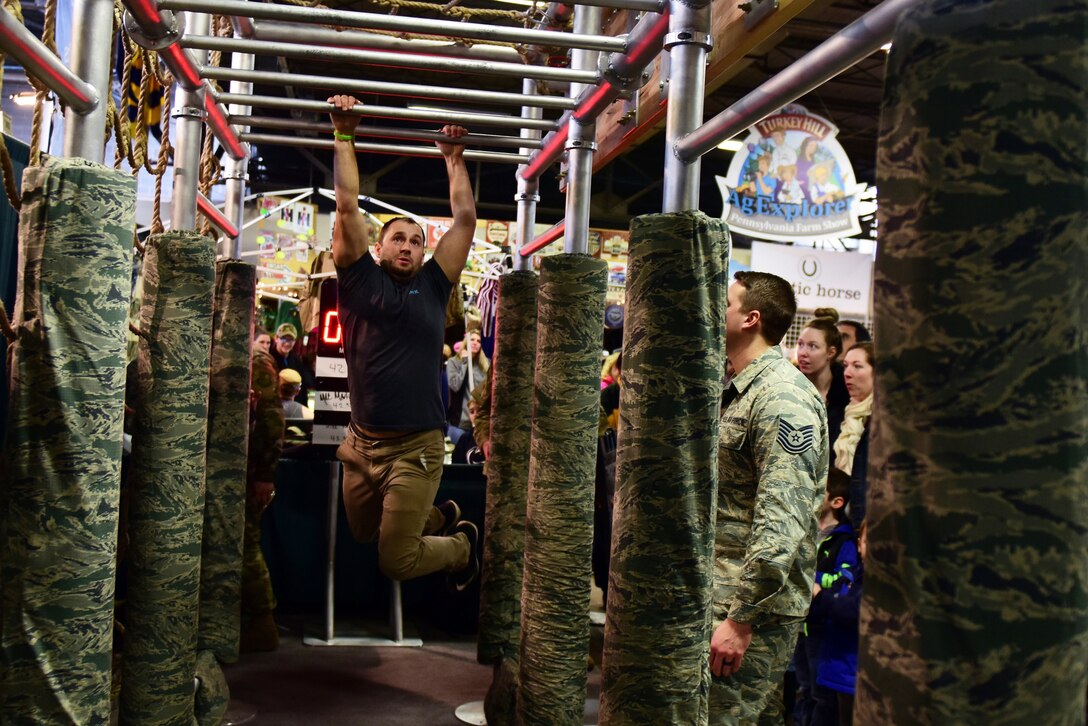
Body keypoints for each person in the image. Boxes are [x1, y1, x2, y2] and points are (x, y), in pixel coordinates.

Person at [327, 93, 478, 590]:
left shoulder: (434, 284)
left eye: (416, 240)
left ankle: (460, 547)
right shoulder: (357, 277)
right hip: (360, 443)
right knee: (361, 531)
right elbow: (347, 203)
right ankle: (434, 519)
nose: (408, 246)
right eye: (399, 238)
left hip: (416, 447)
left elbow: (464, 223)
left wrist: (453, 159)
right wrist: (344, 133)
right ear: (379, 245)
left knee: (396, 561)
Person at [709, 271, 828, 725]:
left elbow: (784, 519)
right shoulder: (739, 386)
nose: (715, 311)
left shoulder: (781, 397)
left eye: (726, 304)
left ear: (750, 319)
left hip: (749, 609)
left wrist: (741, 619)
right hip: (727, 595)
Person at [795, 470, 858, 726]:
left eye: (819, 489)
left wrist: (812, 578)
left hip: (821, 628)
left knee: (821, 696)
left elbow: (846, 579)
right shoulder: (806, 529)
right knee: (802, 689)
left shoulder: (845, 540)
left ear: (837, 502)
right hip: (800, 625)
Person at [241, 327, 285, 652]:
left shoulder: (255, 359)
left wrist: (265, 474)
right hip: (231, 467)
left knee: (245, 543)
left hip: (248, 469)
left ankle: (262, 621)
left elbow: (272, 417)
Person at [809, 520, 865, 726]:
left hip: (853, 675)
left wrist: (820, 596)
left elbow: (850, 611)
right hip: (835, 669)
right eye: (867, 541)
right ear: (860, 544)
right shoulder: (851, 576)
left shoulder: (874, 584)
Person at [834, 342, 874, 528]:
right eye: (846, 366)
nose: (848, 373)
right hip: (840, 521)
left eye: (857, 366)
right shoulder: (838, 416)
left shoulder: (884, 421)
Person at [796, 310, 849, 446]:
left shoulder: (847, 393)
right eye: (800, 344)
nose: (803, 353)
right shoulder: (788, 386)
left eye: (813, 346)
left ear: (831, 352)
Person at [446, 329, 489, 432]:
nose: (475, 343)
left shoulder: (485, 364)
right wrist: (465, 363)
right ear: (466, 342)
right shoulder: (454, 362)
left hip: (480, 421)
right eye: (472, 339)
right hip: (460, 421)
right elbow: (455, 386)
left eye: (478, 341)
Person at [271, 322, 316, 405]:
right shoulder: (269, 359)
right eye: (284, 338)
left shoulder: (297, 361)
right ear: (276, 338)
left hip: (294, 407)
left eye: (291, 339)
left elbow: (305, 384)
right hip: (274, 406)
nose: (287, 343)